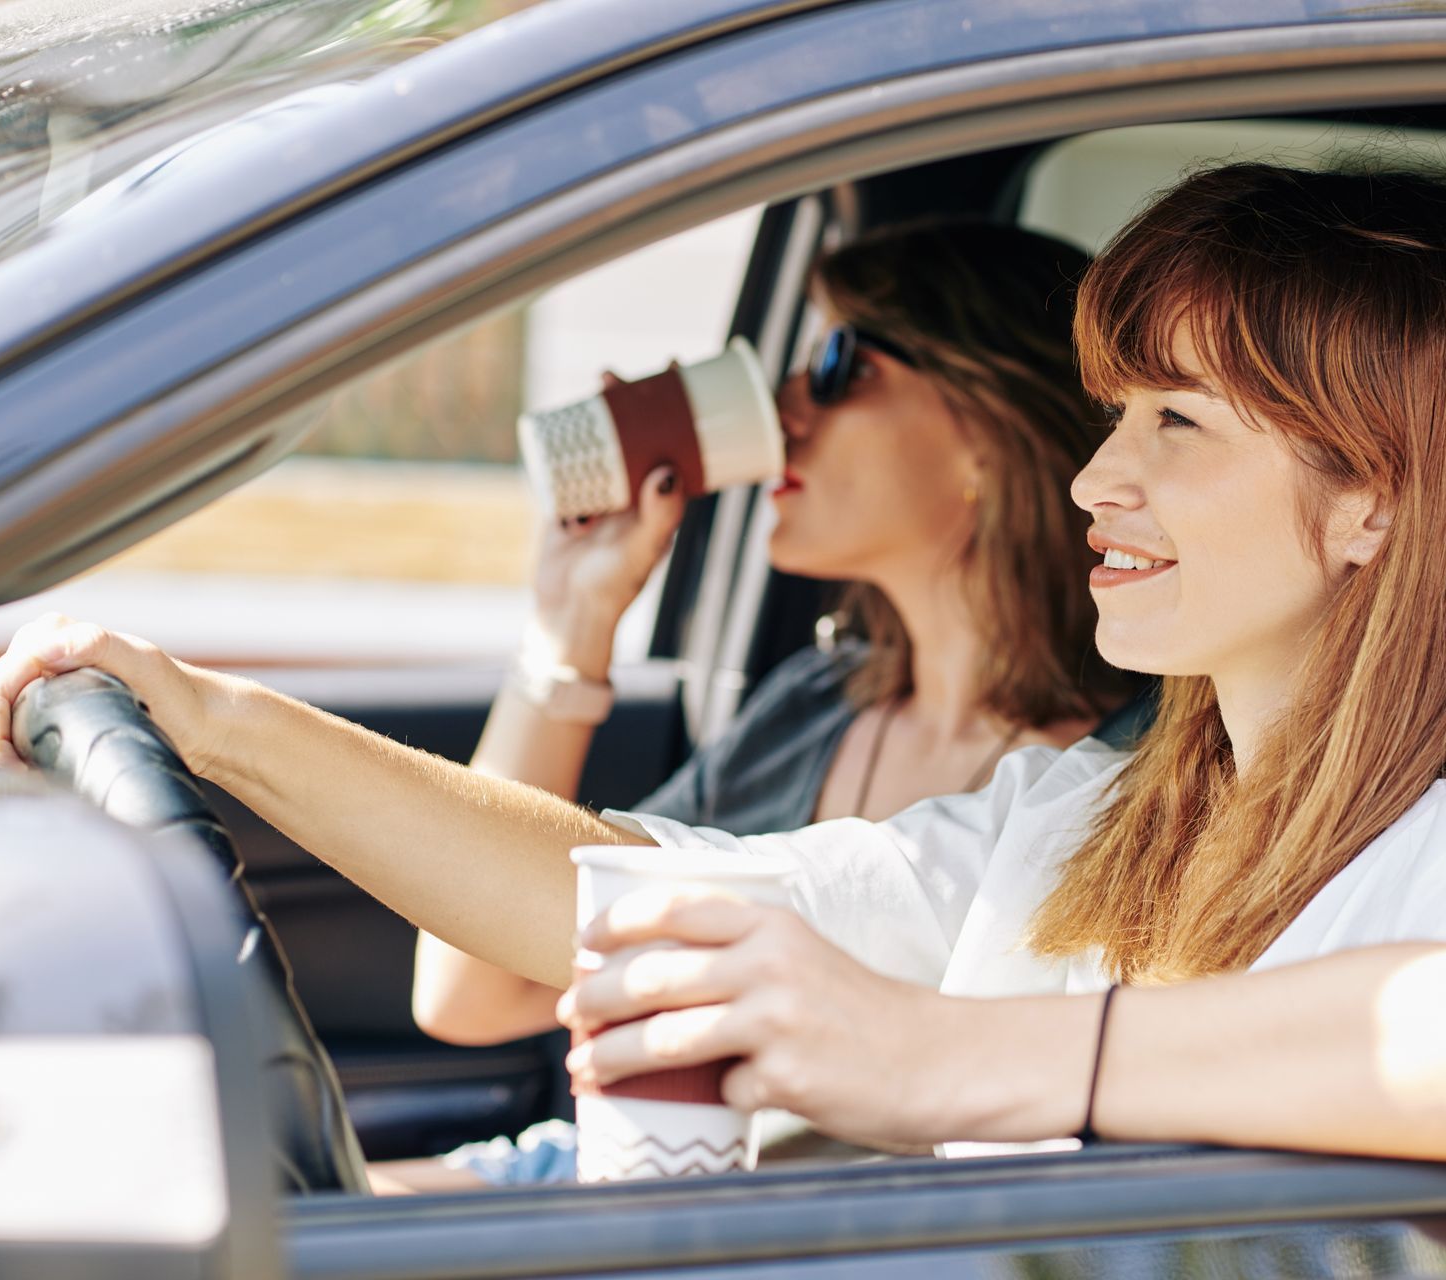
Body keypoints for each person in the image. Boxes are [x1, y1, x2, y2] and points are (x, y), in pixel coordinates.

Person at [0, 163, 1446, 1178]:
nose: (1105, 476)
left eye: (1177, 425)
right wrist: (220, 723)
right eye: (1112, 418)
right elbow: (615, 896)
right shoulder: (1083, 812)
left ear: (1370, 506)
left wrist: (940, 1058)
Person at [409, 220, 1130, 1187]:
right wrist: (573, 621)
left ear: (989, 427)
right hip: (628, 1169)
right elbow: (472, 992)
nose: (785, 409)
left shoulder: (1114, 781)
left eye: (836, 364)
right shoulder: (814, 707)